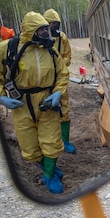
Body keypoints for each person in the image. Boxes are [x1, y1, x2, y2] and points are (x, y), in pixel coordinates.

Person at [0, 11, 69, 194]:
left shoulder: (49, 49)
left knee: (52, 141)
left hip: (47, 102)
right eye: (41, 31)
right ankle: (48, 168)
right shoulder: (8, 48)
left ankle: (48, 175)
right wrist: (0, 97)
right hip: (21, 104)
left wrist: (57, 93)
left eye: (45, 30)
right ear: (31, 31)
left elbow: (63, 73)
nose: (46, 34)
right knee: (29, 147)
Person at [43, 9, 76, 154]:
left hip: (59, 80)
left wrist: (60, 64)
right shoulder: (39, 41)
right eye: (52, 24)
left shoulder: (62, 38)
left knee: (64, 110)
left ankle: (65, 141)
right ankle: (47, 143)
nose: (55, 27)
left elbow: (68, 56)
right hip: (43, 82)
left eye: (57, 23)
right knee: (45, 112)